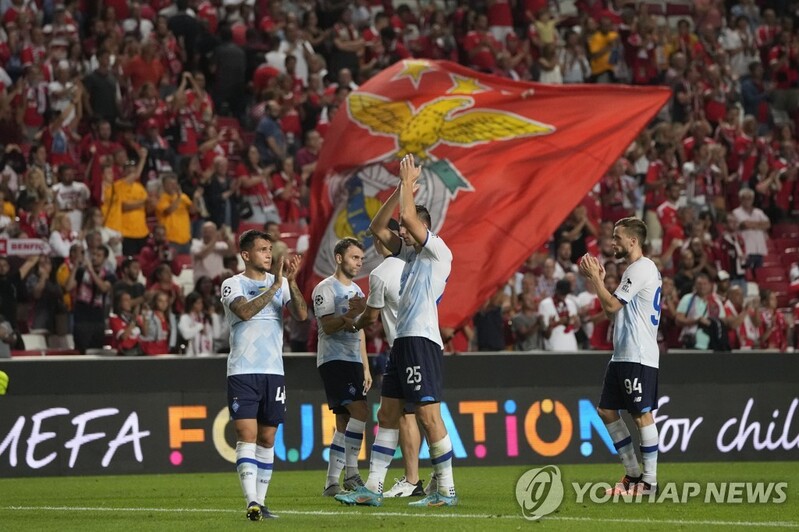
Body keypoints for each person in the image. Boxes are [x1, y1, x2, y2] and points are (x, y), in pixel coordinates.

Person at [336, 155, 457, 507]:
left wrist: (406, 183)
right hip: (402, 342)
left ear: (424, 227)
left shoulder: (437, 251)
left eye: (409, 229)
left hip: (422, 340)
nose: (402, 232)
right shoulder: (409, 257)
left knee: (427, 415)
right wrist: (397, 190)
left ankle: (445, 489)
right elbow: (377, 226)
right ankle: (373, 487)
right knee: (387, 414)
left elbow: (405, 218)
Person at [220, 230, 307, 521]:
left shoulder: (280, 283)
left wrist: (291, 283)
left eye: (270, 249)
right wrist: (276, 287)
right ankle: (251, 501)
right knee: (247, 434)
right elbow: (244, 312)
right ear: (246, 255)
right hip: (243, 371)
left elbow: (302, 315)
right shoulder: (233, 284)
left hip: (274, 371)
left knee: (268, 439)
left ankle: (262, 502)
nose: (268, 254)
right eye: (262, 249)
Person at [579, 217, 662, 496]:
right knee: (606, 411)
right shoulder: (635, 270)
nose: (612, 242)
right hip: (622, 354)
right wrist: (601, 282)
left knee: (641, 414)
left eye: (617, 237)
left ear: (633, 241)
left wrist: (595, 280)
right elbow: (611, 308)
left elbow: (612, 306)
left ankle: (648, 483)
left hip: (637, 353)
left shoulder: (641, 268)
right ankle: (632, 476)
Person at [355, 219, 429, 498]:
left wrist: (354, 321)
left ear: (378, 241)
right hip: (418, 344)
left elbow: (371, 319)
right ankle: (378, 484)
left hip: (404, 347)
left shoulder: (381, 272)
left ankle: (417, 481)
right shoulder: (415, 265)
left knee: (414, 415)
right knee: (391, 414)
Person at [312, 237, 372, 496]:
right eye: (354, 257)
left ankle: (331, 483)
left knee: (344, 421)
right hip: (334, 359)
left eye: (361, 258)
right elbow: (327, 326)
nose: (359, 263)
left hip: (354, 360)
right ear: (339, 258)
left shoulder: (358, 292)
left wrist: (366, 367)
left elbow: (359, 332)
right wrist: (349, 316)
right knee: (360, 412)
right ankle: (352, 474)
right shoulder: (325, 289)